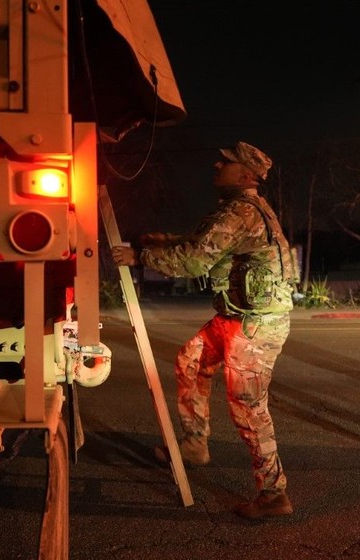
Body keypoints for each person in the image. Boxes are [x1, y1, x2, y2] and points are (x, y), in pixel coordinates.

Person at [112, 141, 298, 519]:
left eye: (226, 162)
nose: (217, 164)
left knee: (248, 406)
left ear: (245, 175)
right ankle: (195, 444)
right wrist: (164, 241)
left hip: (256, 324)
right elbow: (202, 243)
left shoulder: (240, 212)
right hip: (238, 316)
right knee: (192, 361)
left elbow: (196, 261)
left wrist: (140, 257)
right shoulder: (235, 210)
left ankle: (274, 494)